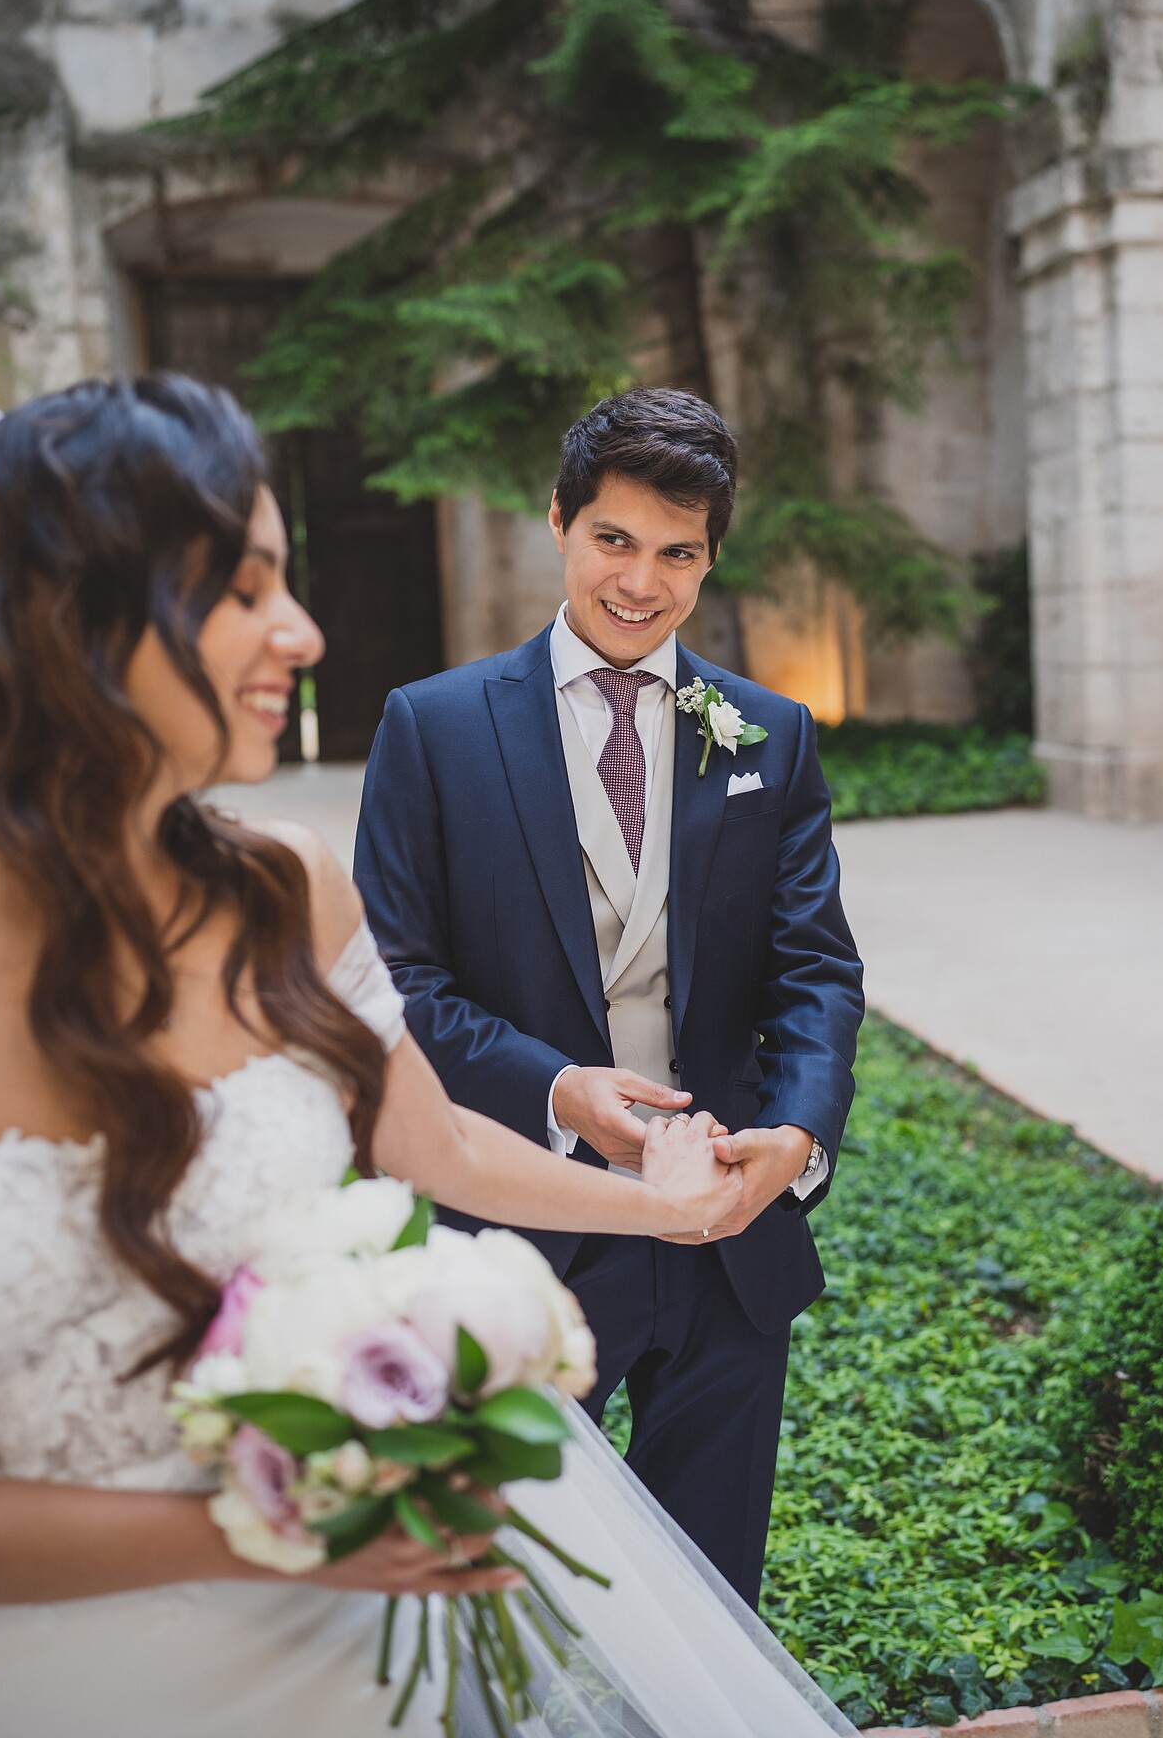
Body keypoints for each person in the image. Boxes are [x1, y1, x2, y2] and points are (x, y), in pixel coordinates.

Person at [0, 376, 853, 1737]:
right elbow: (439, 1017)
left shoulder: (285, 887)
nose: (304, 629)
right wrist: (275, 1529)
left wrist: (690, 1196)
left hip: (357, 1624)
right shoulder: (437, 726)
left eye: (678, 550)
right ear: (72, 616)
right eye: (242, 586)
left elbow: (433, 1144)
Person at [356, 387, 865, 1610]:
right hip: (526, 1236)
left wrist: (792, 1138)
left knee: (707, 1590)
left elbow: (816, 968)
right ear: (559, 524)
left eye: (678, 552)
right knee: (513, 1581)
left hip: (728, 1232)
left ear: (711, 557)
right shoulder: (433, 728)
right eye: (615, 540)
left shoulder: (768, 734)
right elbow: (397, 982)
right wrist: (556, 1087)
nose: (642, 581)